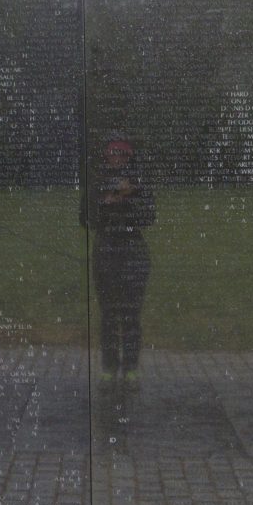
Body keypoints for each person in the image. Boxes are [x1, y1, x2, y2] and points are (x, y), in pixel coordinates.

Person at [81, 132, 156, 387]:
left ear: (129, 157)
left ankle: (131, 365)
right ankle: (110, 365)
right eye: (113, 154)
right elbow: (87, 219)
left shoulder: (139, 183)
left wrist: (128, 198)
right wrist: (108, 202)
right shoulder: (97, 183)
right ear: (106, 156)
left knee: (131, 313)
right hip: (105, 252)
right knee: (109, 314)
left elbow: (148, 217)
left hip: (133, 253)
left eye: (122, 154)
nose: (117, 159)